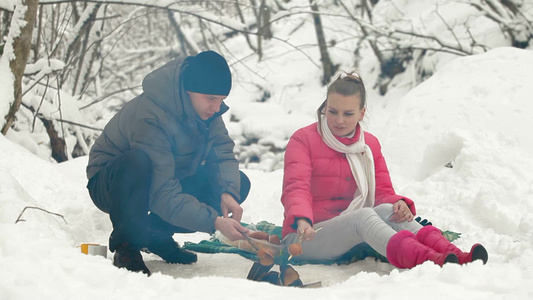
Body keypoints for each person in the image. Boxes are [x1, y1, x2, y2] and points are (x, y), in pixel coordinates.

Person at [280, 72, 488, 269]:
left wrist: (398, 203)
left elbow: (382, 191)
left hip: (352, 232)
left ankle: (457, 256)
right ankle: (430, 261)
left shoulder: (369, 145)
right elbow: (296, 187)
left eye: (348, 113)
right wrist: (302, 220)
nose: (339, 120)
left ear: (362, 113)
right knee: (363, 217)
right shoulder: (303, 139)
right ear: (325, 107)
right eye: (332, 111)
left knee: (390, 211)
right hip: (308, 235)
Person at [86, 50, 251, 276]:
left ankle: (155, 234)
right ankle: (127, 246)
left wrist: (227, 191)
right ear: (188, 90)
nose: (216, 107)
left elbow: (222, 153)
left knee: (237, 182)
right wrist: (214, 221)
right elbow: (161, 193)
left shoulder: (208, 112)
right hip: (114, 182)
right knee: (137, 162)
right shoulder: (151, 114)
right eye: (211, 99)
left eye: (221, 100)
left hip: (164, 176)